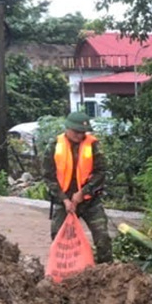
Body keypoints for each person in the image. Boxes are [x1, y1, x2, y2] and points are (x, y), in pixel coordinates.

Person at [42, 111, 114, 264]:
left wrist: (84, 192)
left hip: (90, 201)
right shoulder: (54, 146)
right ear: (67, 128)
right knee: (58, 238)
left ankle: (106, 272)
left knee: (103, 239)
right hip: (64, 202)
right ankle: (62, 271)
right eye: (76, 132)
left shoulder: (93, 145)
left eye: (83, 133)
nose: (80, 135)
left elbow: (100, 172)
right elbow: (49, 177)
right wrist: (64, 199)